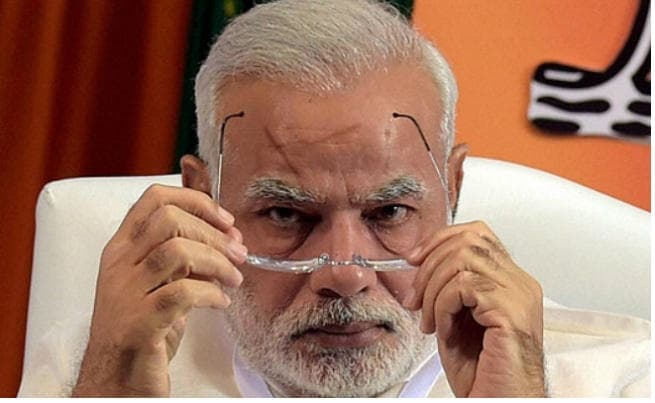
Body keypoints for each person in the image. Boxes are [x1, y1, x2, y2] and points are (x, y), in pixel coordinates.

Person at [28, 0, 648, 397]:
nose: (346, 274)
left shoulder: (622, 378)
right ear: (201, 198)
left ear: (452, 189)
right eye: (286, 214)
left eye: (389, 213)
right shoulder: (93, 364)